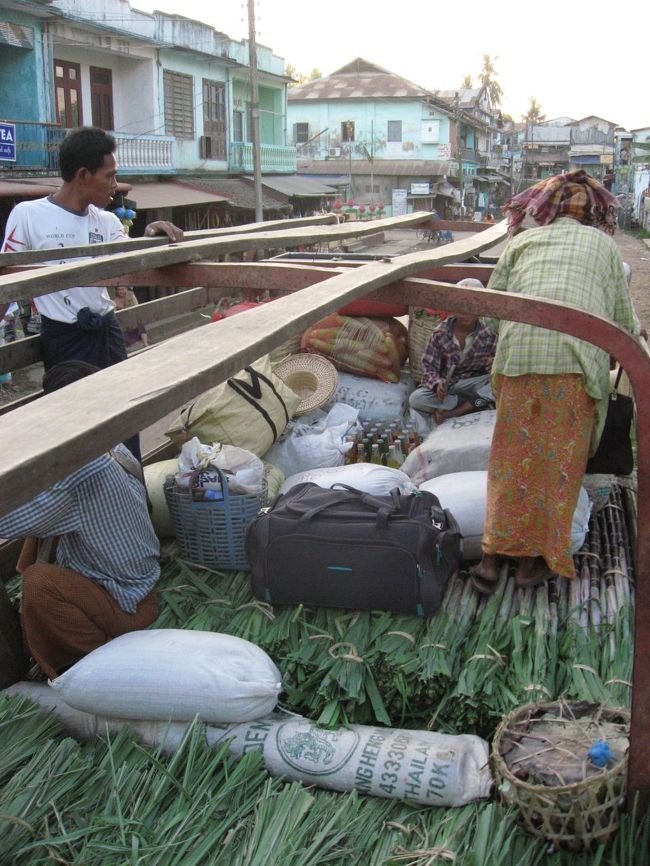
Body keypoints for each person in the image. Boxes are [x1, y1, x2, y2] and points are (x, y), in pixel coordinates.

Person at [470, 170, 641, 593]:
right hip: (573, 364)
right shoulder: (602, 246)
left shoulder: (523, 241)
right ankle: (531, 566)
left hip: (519, 361)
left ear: (546, 210)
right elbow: (622, 323)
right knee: (557, 467)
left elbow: (492, 312)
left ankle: (491, 560)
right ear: (591, 214)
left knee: (511, 461)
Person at [0, 127, 183, 460]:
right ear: (83, 176)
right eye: (110, 176)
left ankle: (132, 501)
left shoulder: (108, 222)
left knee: (125, 425)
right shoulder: (28, 216)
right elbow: (5, 280)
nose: (115, 185)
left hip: (107, 335)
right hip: (65, 342)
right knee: (77, 437)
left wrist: (152, 235)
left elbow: (133, 262)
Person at [0, 360, 161, 681]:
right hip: (144, 580)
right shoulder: (111, 445)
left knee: (38, 582)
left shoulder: (81, 468)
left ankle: (83, 660)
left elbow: (6, 523)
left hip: (126, 603)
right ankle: (37, 621)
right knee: (42, 532)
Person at [409, 278, 497, 425]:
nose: (466, 312)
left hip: (472, 384)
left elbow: (495, 365)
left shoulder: (489, 334)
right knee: (416, 399)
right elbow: (429, 367)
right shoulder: (440, 333)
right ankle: (474, 404)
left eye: (472, 307)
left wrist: (492, 365)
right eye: (461, 306)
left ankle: (456, 412)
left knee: (498, 385)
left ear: (481, 308)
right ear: (453, 308)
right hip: (449, 387)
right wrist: (437, 385)